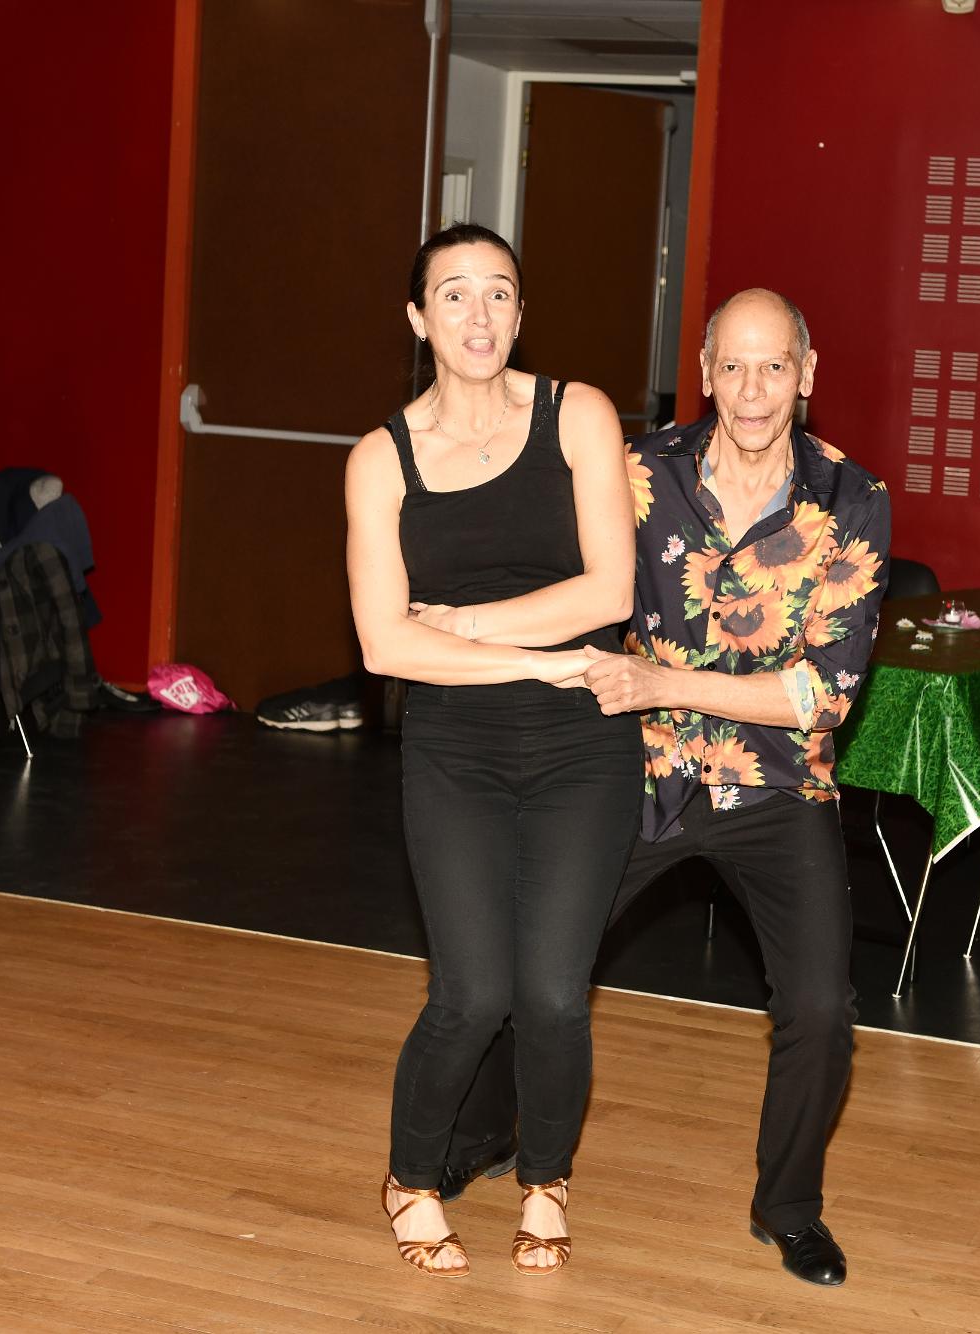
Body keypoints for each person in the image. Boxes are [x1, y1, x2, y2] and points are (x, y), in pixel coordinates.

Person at [439, 288, 891, 1286]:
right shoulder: (638, 472)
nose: (753, 390)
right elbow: (548, 568)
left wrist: (661, 682)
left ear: (807, 374)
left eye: (774, 366)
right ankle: (484, 1131)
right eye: (733, 366)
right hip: (630, 773)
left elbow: (823, 696)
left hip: (777, 787)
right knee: (530, 963)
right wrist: (456, 619)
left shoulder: (851, 500)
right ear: (704, 372)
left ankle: (788, 1207)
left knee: (820, 1007)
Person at [344, 223, 642, 1278]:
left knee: (553, 995)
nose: (479, 314)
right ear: (418, 318)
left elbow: (610, 591)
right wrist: (533, 660)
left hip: (582, 745)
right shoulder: (380, 459)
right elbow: (385, 646)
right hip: (455, 747)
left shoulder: (578, 414)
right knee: (471, 993)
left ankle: (546, 1179)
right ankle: (410, 1178)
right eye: (455, 294)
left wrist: (465, 628)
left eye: (500, 293)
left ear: (521, 311)